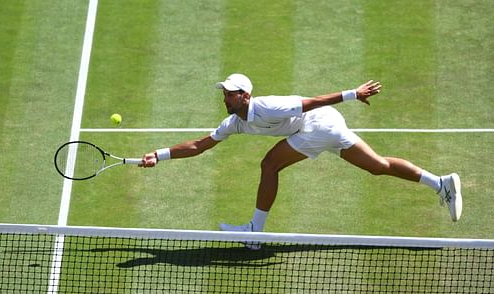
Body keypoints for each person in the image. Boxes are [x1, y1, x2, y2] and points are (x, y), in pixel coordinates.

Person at [141, 73, 462, 248]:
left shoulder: (268, 106)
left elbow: (311, 101)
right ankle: (441, 183)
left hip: (320, 122)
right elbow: (199, 145)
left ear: (245, 95)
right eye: (224, 92)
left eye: (230, 92)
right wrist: (159, 154)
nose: (225, 96)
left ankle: (254, 232)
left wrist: (353, 93)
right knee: (378, 167)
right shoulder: (235, 123)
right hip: (326, 126)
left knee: (270, 164)